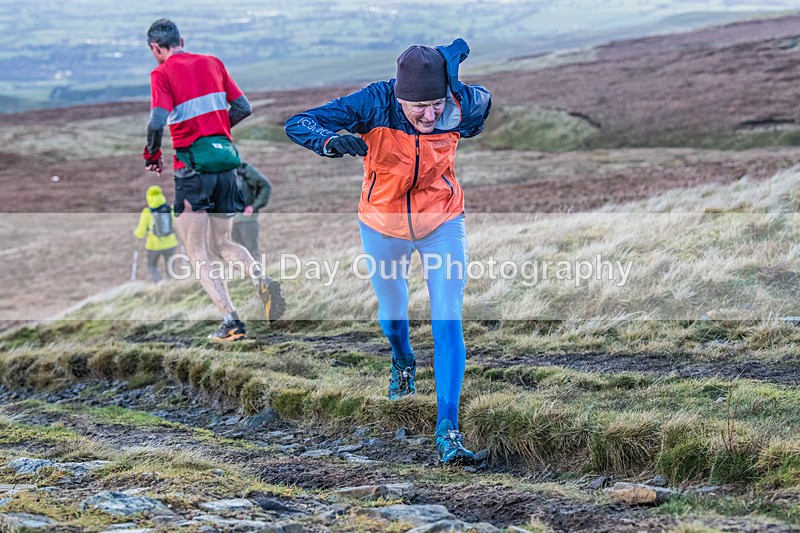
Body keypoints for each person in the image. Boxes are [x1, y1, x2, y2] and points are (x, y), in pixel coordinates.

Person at [285, 39, 491, 464]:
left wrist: (452, 85)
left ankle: (447, 431)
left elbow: (482, 107)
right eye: (420, 108)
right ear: (399, 95)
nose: (431, 116)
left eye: (437, 105)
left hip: (442, 220)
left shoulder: (459, 103)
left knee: (447, 316)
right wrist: (329, 142)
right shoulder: (373, 103)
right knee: (393, 313)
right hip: (383, 223)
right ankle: (402, 359)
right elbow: (297, 122)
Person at [143, 18, 284, 341]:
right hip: (226, 167)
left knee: (197, 253)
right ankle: (262, 280)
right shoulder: (212, 63)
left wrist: (152, 154)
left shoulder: (161, 73)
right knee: (223, 243)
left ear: (156, 48)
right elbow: (243, 107)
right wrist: (217, 132)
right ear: (182, 39)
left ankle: (231, 322)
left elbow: (157, 120)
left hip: (193, 172)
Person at [133, 185, 179, 283]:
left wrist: (136, 233)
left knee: (152, 265)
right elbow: (176, 224)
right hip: (171, 243)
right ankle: (172, 284)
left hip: (153, 245)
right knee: (170, 266)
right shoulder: (170, 209)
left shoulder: (147, 212)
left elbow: (140, 233)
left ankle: (159, 282)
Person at [232, 161, 273, 259]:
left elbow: (265, 186)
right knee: (234, 252)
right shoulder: (217, 171)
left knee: (251, 250)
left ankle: (256, 272)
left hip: (246, 219)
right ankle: (241, 273)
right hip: (227, 221)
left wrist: (254, 206)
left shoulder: (244, 170)